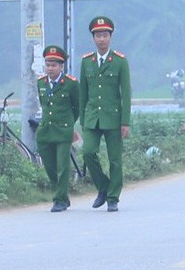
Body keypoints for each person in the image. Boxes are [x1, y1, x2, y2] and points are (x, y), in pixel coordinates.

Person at [79, 16, 132, 212]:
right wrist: (83, 120)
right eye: (98, 35)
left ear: (110, 37)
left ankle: (112, 197)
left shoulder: (119, 61)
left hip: (114, 118)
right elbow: (83, 93)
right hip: (92, 117)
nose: (101, 39)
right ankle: (103, 186)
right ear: (93, 38)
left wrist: (125, 122)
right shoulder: (87, 62)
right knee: (88, 152)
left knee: (115, 159)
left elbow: (126, 94)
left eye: (105, 35)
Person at [36, 45, 82, 213]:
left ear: (61, 66)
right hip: (45, 131)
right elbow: (44, 104)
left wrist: (69, 123)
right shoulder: (41, 82)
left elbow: (77, 107)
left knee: (63, 166)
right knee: (50, 166)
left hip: (63, 131)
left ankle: (59, 200)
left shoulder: (71, 84)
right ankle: (62, 195)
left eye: (54, 65)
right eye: (48, 64)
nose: (50, 68)